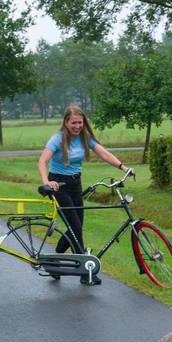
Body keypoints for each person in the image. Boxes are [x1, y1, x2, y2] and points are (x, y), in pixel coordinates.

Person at [37, 105, 130, 285]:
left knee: (75, 226)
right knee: (76, 227)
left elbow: (103, 153)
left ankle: (55, 259)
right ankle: (85, 272)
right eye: (74, 123)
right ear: (66, 122)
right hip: (58, 185)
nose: (77, 126)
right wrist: (46, 181)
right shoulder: (57, 139)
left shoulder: (85, 137)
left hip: (75, 184)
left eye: (80, 122)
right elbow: (42, 160)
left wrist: (122, 167)